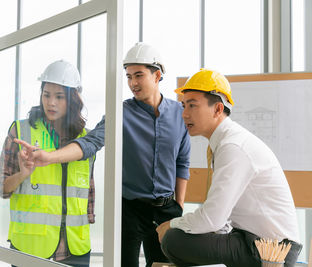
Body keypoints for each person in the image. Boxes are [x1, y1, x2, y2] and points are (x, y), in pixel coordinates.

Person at [16, 42, 191, 267]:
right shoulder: (120, 113)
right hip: (130, 210)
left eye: (138, 75)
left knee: (165, 265)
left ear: (157, 75)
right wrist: (49, 157)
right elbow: (90, 143)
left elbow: (182, 162)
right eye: (128, 76)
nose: (132, 83)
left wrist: (179, 207)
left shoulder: (179, 113)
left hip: (167, 209)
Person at [156, 68, 302, 267]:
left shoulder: (233, 147)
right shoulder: (226, 142)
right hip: (250, 239)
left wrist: (172, 224)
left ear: (217, 109)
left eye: (192, 106)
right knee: (181, 237)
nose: (184, 114)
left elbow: (212, 218)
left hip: (274, 250)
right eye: (183, 106)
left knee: (173, 240)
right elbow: (220, 218)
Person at [0, 60, 96, 267]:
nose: (51, 103)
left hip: (75, 246)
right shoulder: (21, 132)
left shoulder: (87, 139)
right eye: (46, 94)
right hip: (30, 245)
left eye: (59, 97)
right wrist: (22, 174)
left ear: (73, 99)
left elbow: (88, 190)